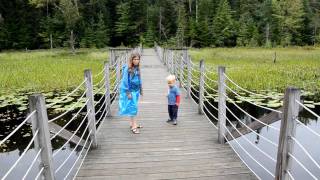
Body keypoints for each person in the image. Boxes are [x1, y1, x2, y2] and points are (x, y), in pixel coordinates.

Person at [119, 52, 143, 134]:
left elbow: (139, 79)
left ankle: (131, 123)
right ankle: (134, 126)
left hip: (136, 90)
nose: (136, 61)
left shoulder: (137, 68)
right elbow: (125, 81)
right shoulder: (128, 69)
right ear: (131, 60)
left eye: (138, 59)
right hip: (130, 91)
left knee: (132, 107)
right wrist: (128, 92)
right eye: (135, 59)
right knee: (134, 108)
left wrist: (141, 89)